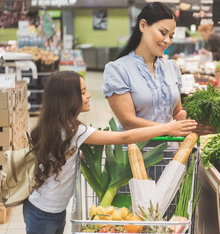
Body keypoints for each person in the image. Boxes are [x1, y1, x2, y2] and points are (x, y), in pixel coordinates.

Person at [22, 71, 197, 234]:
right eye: (83, 92)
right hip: (45, 212)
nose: (89, 95)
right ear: (67, 99)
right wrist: (167, 128)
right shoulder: (74, 130)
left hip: (43, 207)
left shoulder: (52, 125)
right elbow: (124, 137)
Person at [103, 2, 214, 135]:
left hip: (172, 152)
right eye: (163, 32)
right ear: (143, 25)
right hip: (134, 152)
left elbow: (177, 113)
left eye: (171, 36)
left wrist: (198, 123)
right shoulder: (117, 70)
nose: (167, 40)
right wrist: (169, 129)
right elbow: (128, 122)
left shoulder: (171, 67)